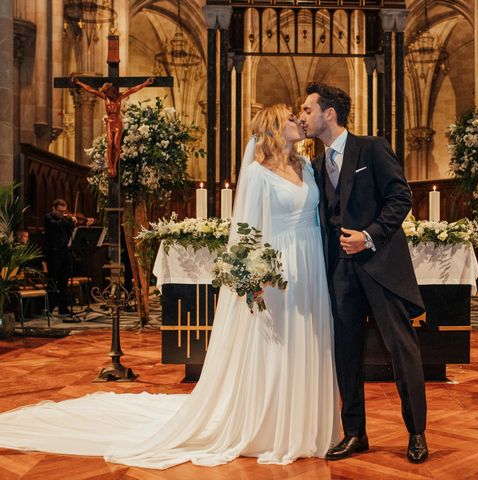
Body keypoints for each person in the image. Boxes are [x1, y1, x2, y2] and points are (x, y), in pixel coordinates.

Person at [0, 104, 339, 469]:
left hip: (310, 262)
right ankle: (272, 427)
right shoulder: (258, 173)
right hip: (276, 267)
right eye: (290, 117)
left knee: (308, 338)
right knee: (278, 342)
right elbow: (245, 230)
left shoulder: (307, 167)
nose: (298, 121)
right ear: (273, 127)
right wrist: (251, 274)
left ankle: (306, 423)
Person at [299, 82, 429, 464]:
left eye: (307, 110)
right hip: (340, 271)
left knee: (402, 349)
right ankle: (355, 432)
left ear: (329, 114)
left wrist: (368, 237)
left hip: (380, 266)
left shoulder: (371, 148)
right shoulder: (318, 165)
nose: (303, 116)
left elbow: (400, 196)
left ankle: (417, 433)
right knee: (346, 353)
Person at [72, 76, 154, 176]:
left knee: (116, 144)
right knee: (110, 143)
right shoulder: (105, 97)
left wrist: (146, 83)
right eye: (105, 93)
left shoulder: (119, 97)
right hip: (109, 123)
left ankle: (114, 165)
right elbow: (91, 90)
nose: (106, 94)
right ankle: (110, 165)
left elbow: (133, 90)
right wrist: (79, 83)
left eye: (107, 92)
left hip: (117, 123)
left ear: (111, 90)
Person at [43, 199, 75, 316]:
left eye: (64, 211)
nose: (62, 213)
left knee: (64, 282)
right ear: (54, 208)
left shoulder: (65, 220)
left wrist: (73, 222)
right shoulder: (48, 217)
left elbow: (70, 231)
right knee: (52, 281)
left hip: (65, 253)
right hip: (53, 254)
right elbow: (56, 225)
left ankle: (63, 308)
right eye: (60, 211)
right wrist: (67, 219)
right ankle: (49, 309)